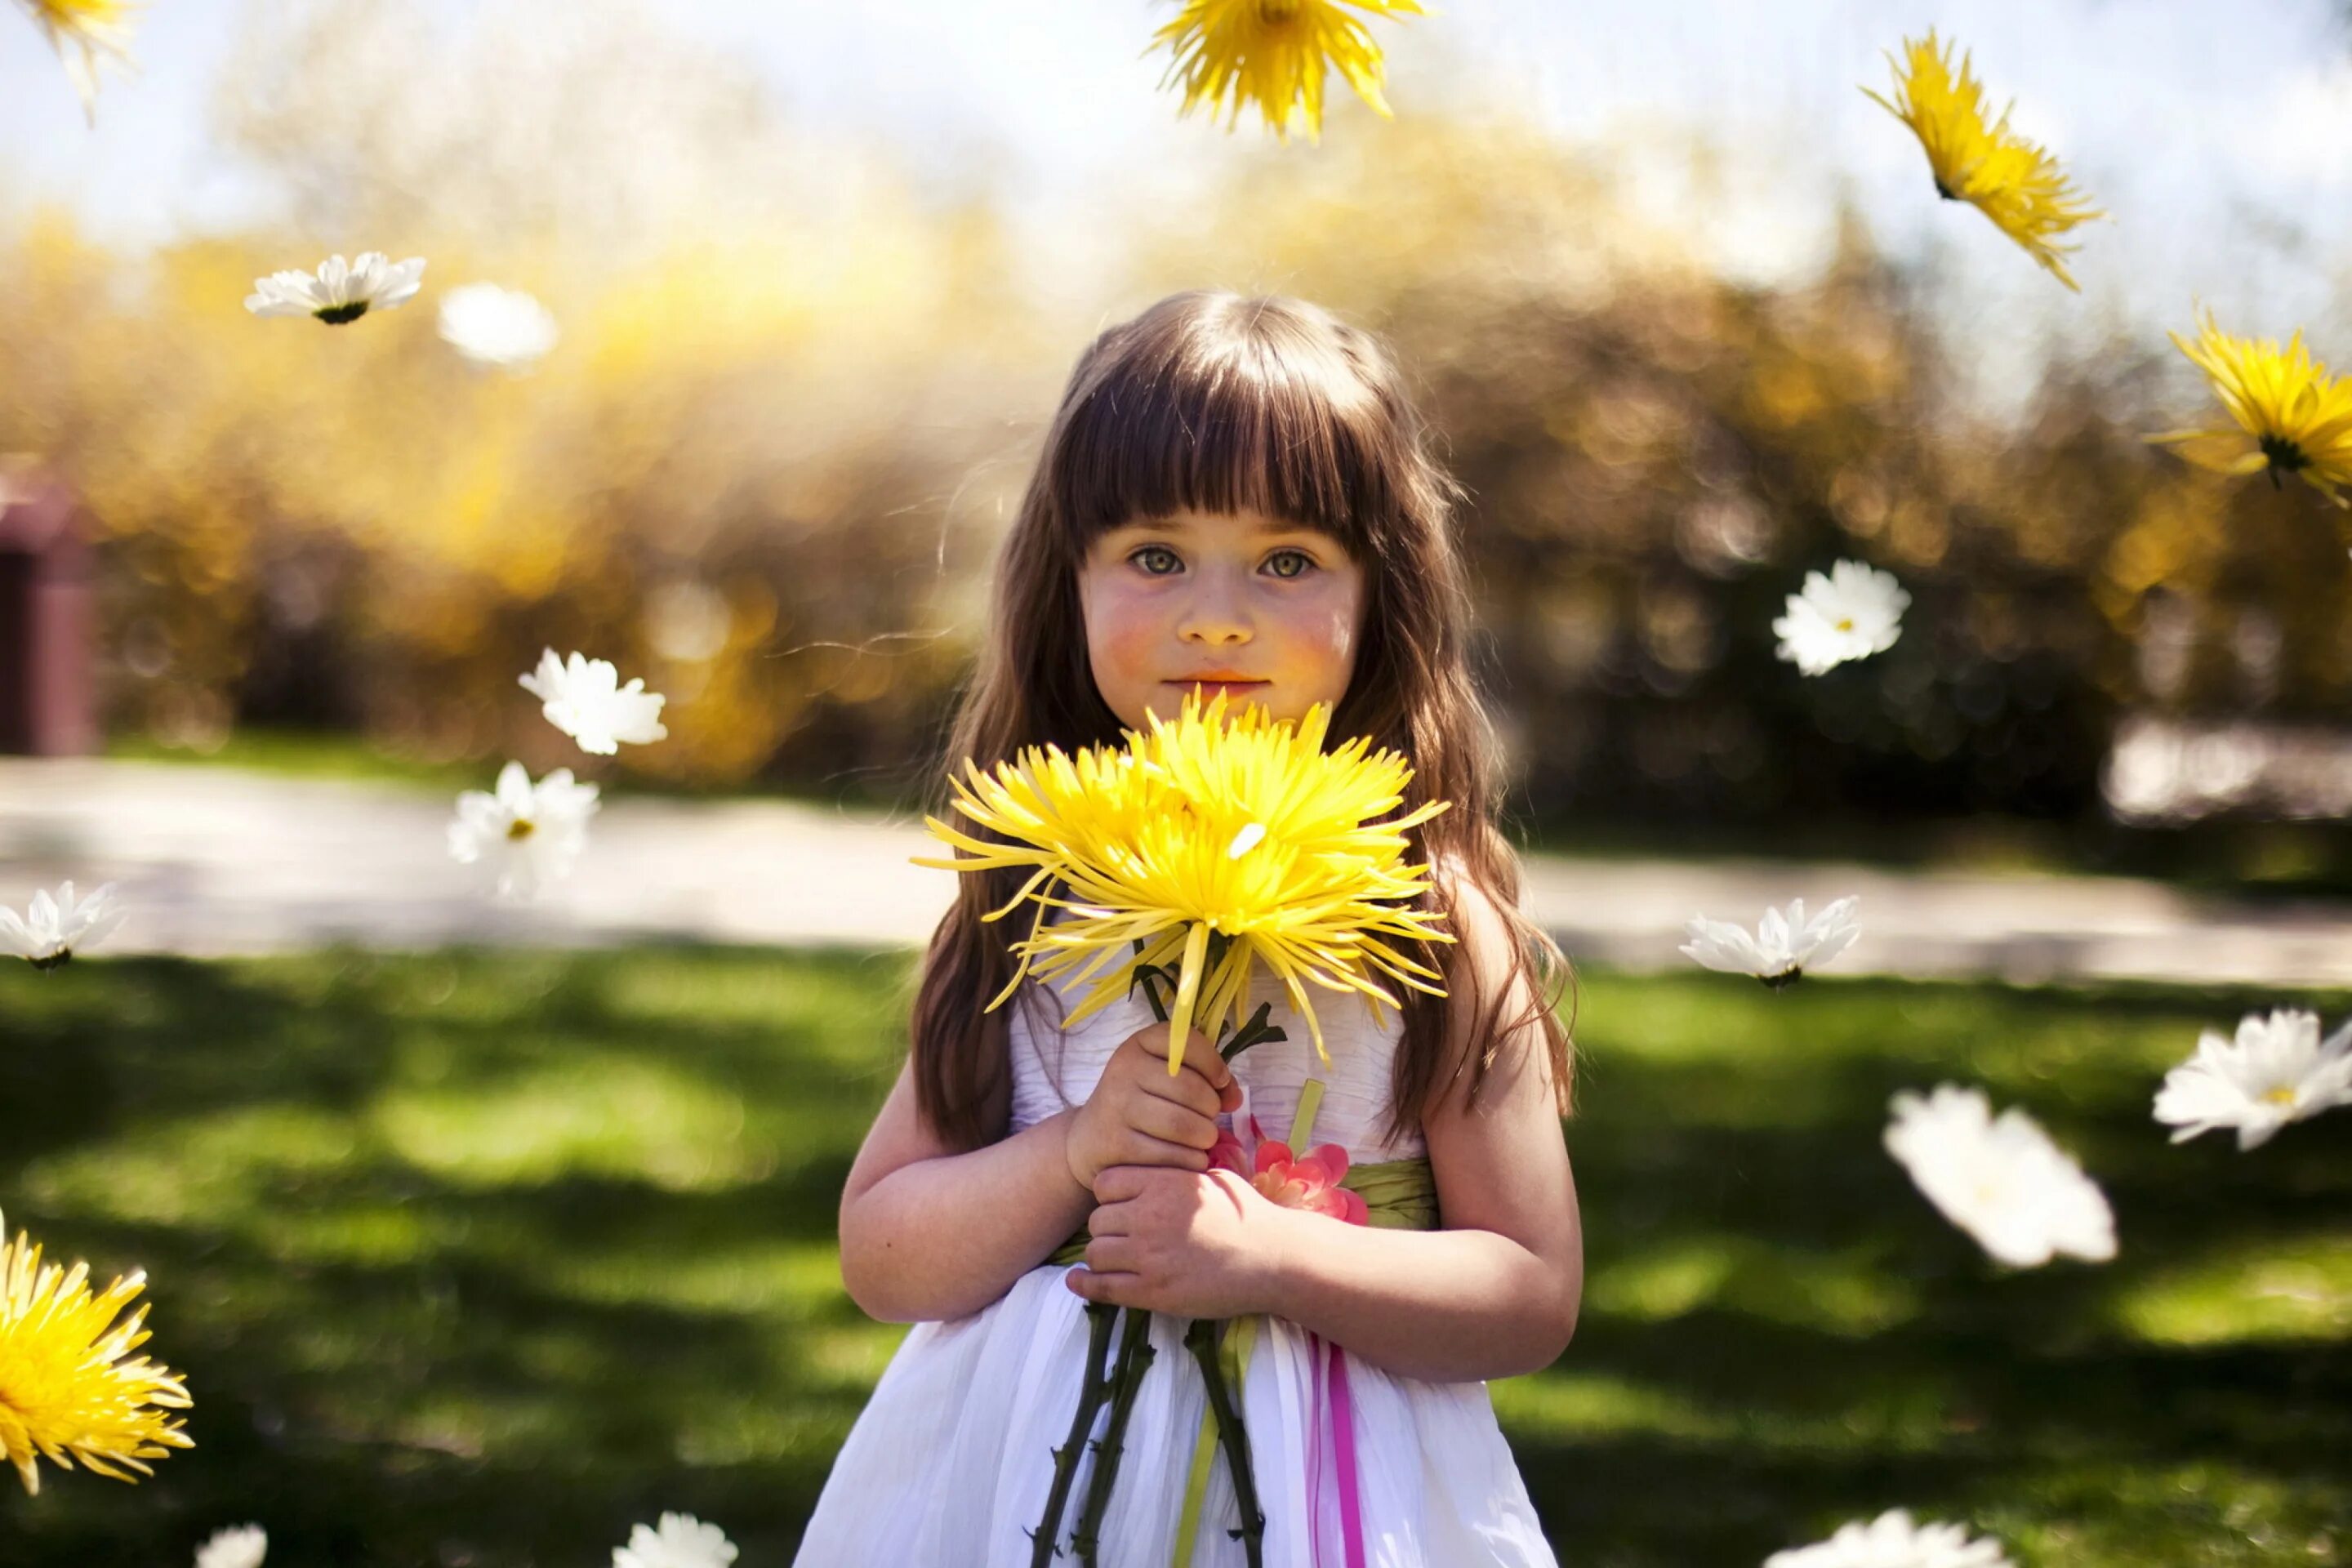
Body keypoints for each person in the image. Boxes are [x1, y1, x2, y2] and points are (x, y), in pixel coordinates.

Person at [794, 291, 1583, 1567]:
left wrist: (1275, 1259)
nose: (1217, 616)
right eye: (1156, 555)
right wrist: (1071, 1156)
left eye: (1288, 561)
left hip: (1329, 1503)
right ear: (1072, 582)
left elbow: (1530, 1296)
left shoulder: (1428, 922)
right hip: (1017, 1493)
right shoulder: (1028, 898)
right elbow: (885, 1256)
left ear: (1381, 593)